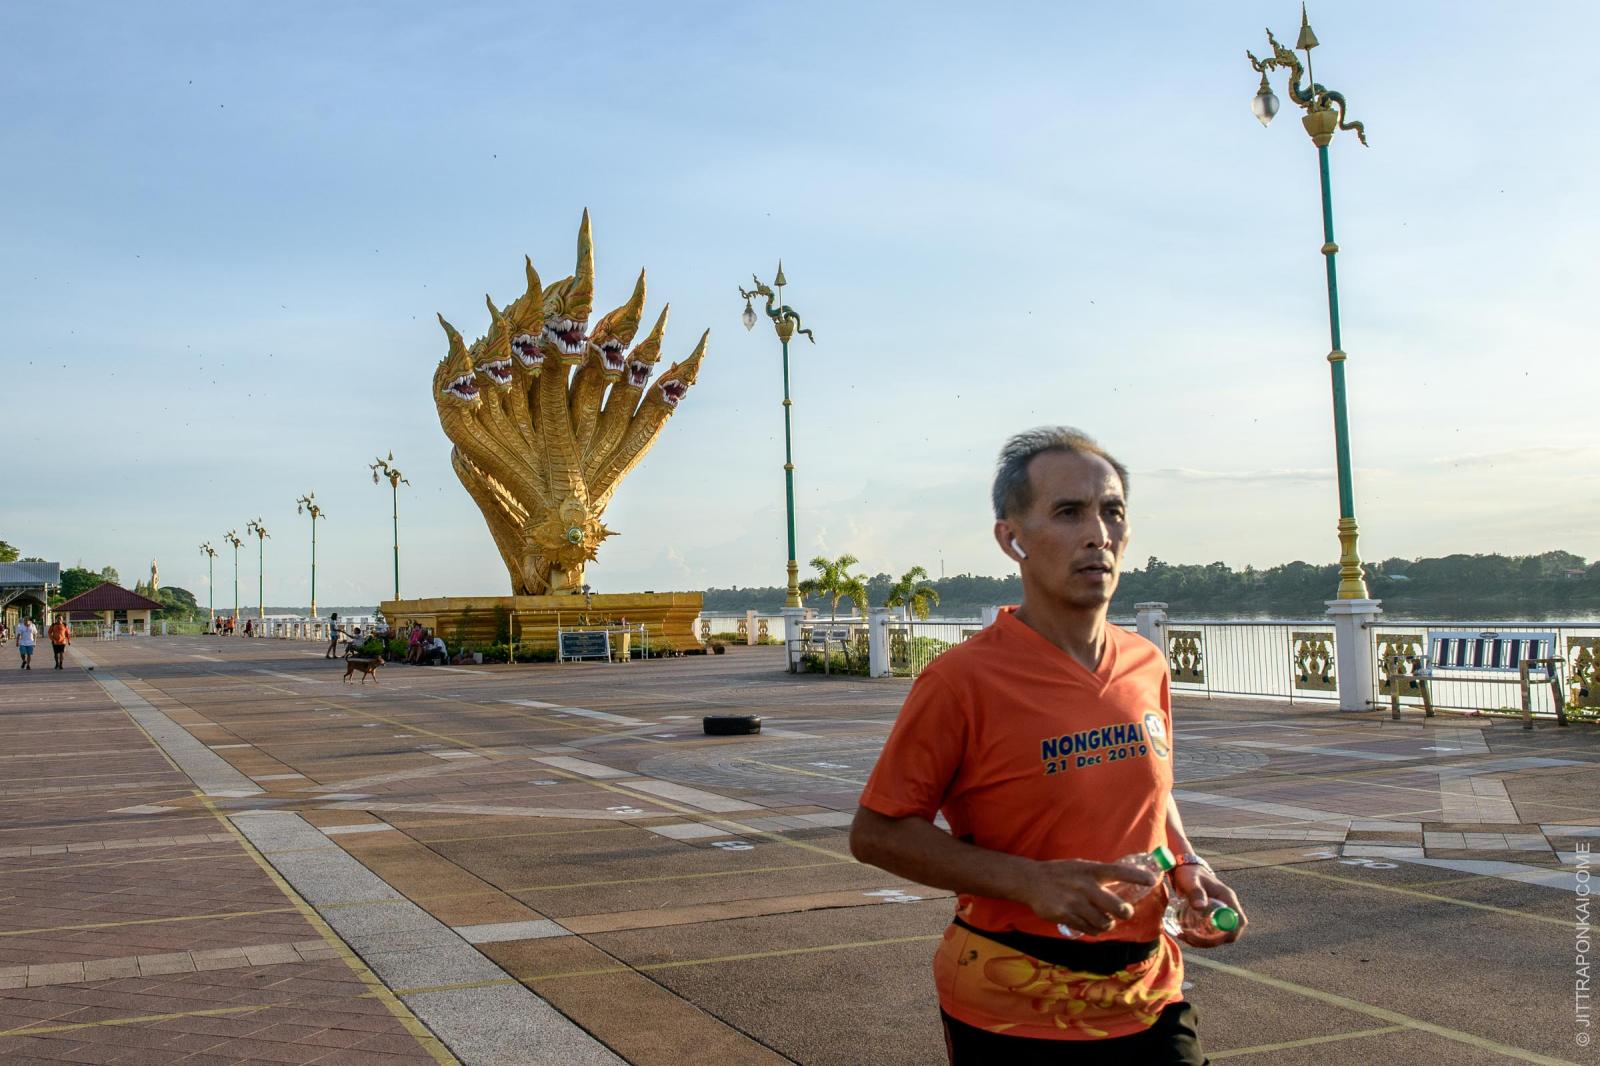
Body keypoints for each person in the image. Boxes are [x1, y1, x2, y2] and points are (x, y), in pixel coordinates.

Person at [850, 427, 1245, 1064]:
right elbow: (876, 832)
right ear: (1013, 538)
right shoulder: (961, 681)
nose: (1098, 534)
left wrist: (1189, 866)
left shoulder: (1146, 663)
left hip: (1147, 991)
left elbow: (1152, 798)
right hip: (1012, 1003)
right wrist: (1029, 882)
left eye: (1112, 511)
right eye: (1069, 513)